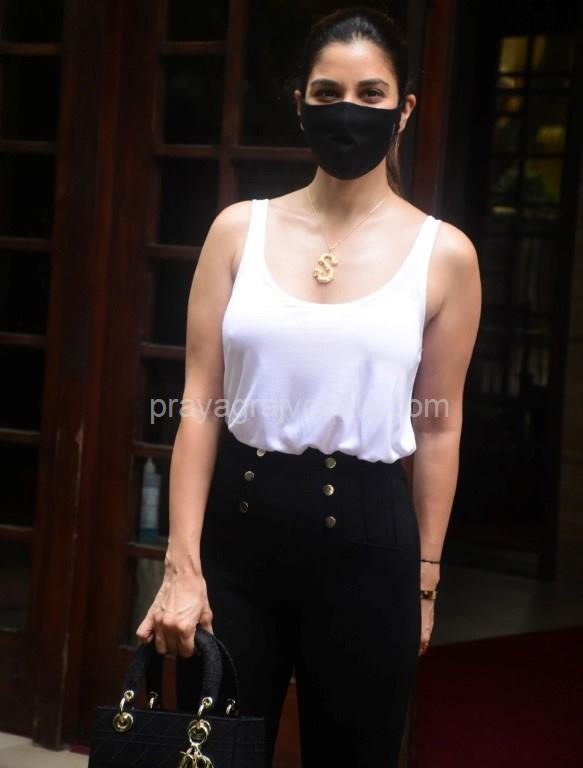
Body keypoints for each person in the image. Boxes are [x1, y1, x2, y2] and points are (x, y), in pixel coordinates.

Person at [136, 5, 481, 766]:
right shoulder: (238, 231)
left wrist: (425, 580)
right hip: (238, 530)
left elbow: (438, 427)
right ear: (300, 103)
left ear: (404, 109)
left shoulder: (445, 255)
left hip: (370, 542)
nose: (347, 111)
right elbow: (200, 406)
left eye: (370, 93)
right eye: (327, 94)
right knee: (214, 753)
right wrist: (182, 564)